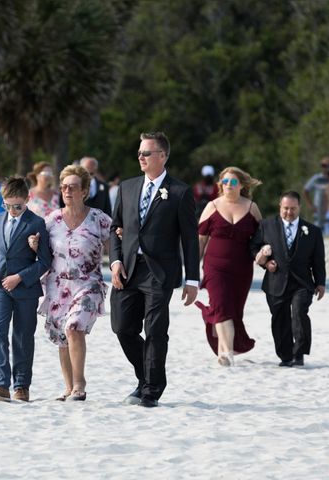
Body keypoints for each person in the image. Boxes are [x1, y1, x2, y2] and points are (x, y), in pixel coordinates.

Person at [110, 131, 200, 408]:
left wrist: (192, 279)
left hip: (160, 272)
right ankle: (147, 376)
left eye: (146, 153)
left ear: (162, 156)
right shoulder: (127, 187)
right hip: (128, 269)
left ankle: (150, 391)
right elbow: (115, 228)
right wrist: (115, 261)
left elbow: (189, 239)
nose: (141, 157)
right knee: (122, 327)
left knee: (155, 330)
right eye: (139, 153)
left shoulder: (180, 192)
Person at [31, 164, 111, 401]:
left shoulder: (99, 219)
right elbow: (43, 253)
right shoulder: (51, 220)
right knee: (62, 337)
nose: (67, 191)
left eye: (73, 187)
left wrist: (119, 266)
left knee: (74, 327)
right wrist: (35, 246)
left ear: (84, 191)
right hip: (58, 286)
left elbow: (118, 245)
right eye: (64, 187)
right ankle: (68, 387)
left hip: (89, 284)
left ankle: (80, 384)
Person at [0, 176, 51, 403]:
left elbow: (44, 262)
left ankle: (21, 385)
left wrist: (19, 277)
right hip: (0, 287)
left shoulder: (37, 223)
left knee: (22, 337)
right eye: (7, 205)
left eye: (17, 206)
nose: (12, 210)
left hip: (26, 289)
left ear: (27, 199)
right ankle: (0, 384)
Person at [194, 167, 263, 366]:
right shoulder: (212, 206)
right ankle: (226, 353)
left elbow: (262, 237)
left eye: (233, 182)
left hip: (242, 269)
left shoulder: (251, 208)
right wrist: (192, 270)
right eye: (224, 182)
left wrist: (265, 256)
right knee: (222, 306)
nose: (228, 186)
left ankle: (225, 349)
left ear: (242, 185)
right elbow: (200, 240)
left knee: (233, 310)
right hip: (215, 266)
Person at [251, 191, 326, 367]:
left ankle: (298, 354)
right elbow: (253, 247)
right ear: (280, 206)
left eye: (293, 208)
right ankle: (285, 356)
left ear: (299, 207)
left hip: (303, 282)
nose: (289, 212)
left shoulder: (313, 231)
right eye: (285, 208)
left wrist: (320, 282)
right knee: (279, 318)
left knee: (299, 313)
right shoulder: (266, 225)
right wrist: (265, 262)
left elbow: (318, 260)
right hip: (275, 280)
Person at [303, 156, 329, 228]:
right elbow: (306, 191)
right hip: (318, 210)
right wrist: (310, 205)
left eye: (326, 165)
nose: (324, 167)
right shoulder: (316, 178)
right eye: (323, 165)